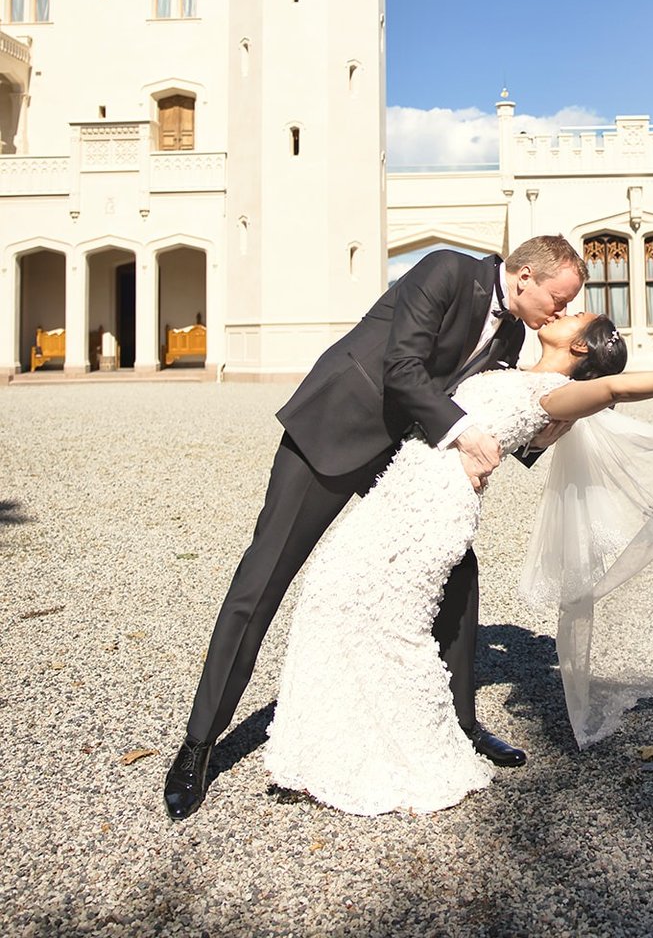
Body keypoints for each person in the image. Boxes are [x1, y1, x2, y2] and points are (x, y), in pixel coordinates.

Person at [163, 235, 588, 821]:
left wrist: (565, 420)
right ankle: (197, 745)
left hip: (407, 455)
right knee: (263, 581)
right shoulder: (446, 271)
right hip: (335, 431)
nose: (561, 313)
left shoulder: (514, 334)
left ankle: (459, 726)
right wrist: (462, 434)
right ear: (524, 278)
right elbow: (402, 367)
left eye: (569, 306)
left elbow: (491, 409)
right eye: (559, 298)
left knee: (458, 572)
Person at [262, 312, 653, 815]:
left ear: (581, 347)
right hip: (397, 493)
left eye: (577, 315)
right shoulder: (512, 370)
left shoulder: (555, 395)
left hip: (432, 511)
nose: (564, 311)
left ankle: (412, 754)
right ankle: (333, 739)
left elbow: (615, 390)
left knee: (391, 625)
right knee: (330, 592)